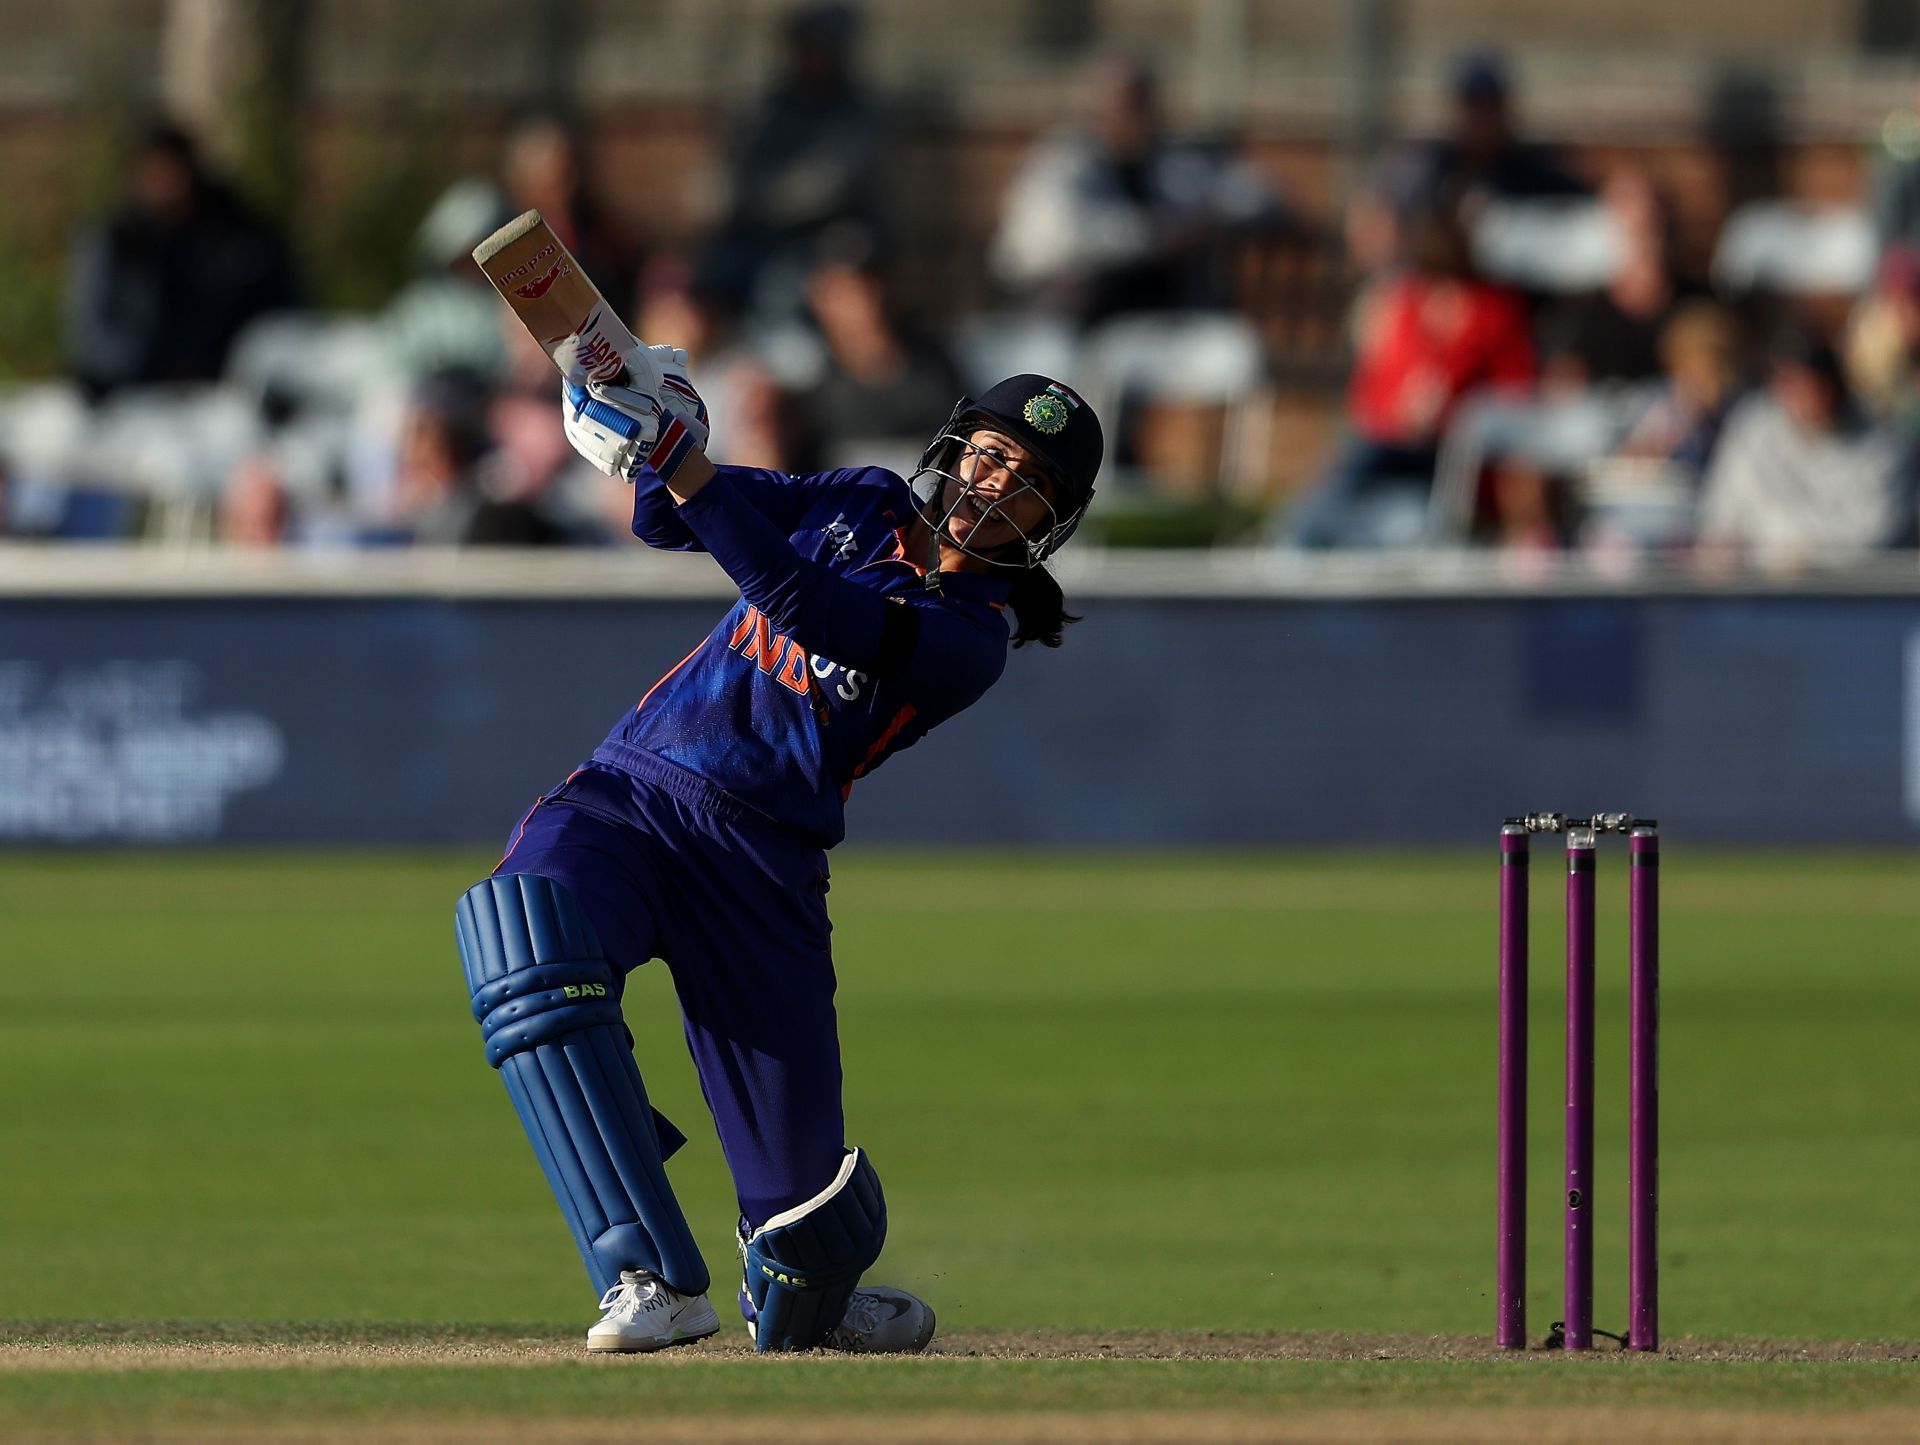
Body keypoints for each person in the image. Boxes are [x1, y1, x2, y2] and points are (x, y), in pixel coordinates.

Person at [452, 344, 1101, 1353]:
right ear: (955, 449)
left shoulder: (970, 638)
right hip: (635, 792)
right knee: (524, 943)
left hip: (761, 866)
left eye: (1031, 483)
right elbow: (672, 515)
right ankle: (649, 1277)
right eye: (991, 453)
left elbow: (804, 600)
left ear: (1049, 522)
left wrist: (685, 459)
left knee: (804, 1243)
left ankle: (824, 1296)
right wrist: (653, 427)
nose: (998, 482)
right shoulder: (865, 498)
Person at [67, 121, 301, 400]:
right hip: (133, 393)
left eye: (174, 173)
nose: (166, 184)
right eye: (156, 173)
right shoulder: (116, 241)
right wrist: (151, 369)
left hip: (224, 390)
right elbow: (93, 336)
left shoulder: (236, 236)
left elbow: (283, 314)